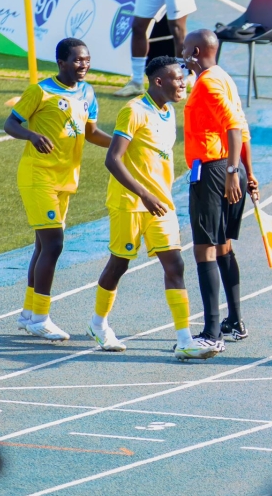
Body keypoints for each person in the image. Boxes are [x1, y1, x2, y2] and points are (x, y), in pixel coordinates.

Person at [88, 56, 219, 360]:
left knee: (175, 265)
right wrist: (144, 194)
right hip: (131, 203)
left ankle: (185, 339)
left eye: (184, 77)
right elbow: (113, 159)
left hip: (161, 204)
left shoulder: (169, 111)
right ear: (159, 81)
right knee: (119, 264)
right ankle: (98, 324)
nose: (183, 83)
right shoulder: (133, 111)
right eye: (177, 78)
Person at [4, 38, 111, 341]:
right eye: (77, 60)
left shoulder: (88, 93)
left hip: (67, 178)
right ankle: (41, 317)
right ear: (61, 62)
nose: (83, 65)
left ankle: (28, 314)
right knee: (53, 245)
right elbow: (10, 124)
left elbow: (91, 133)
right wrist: (31, 135)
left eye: (87, 60)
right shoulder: (41, 90)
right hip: (39, 176)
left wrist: (121, 143)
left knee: (42, 246)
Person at [182, 29, 258, 349]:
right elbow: (243, 127)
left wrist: (230, 172)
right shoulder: (223, 77)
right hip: (229, 168)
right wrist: (247, 174)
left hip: (214, 170)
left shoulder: (209, 84)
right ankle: (234, 321)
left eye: (186, 49)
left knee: (205, 249)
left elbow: (233, 127)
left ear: (196, 52)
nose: (182, 55)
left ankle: (212, 333)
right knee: (223, 245)